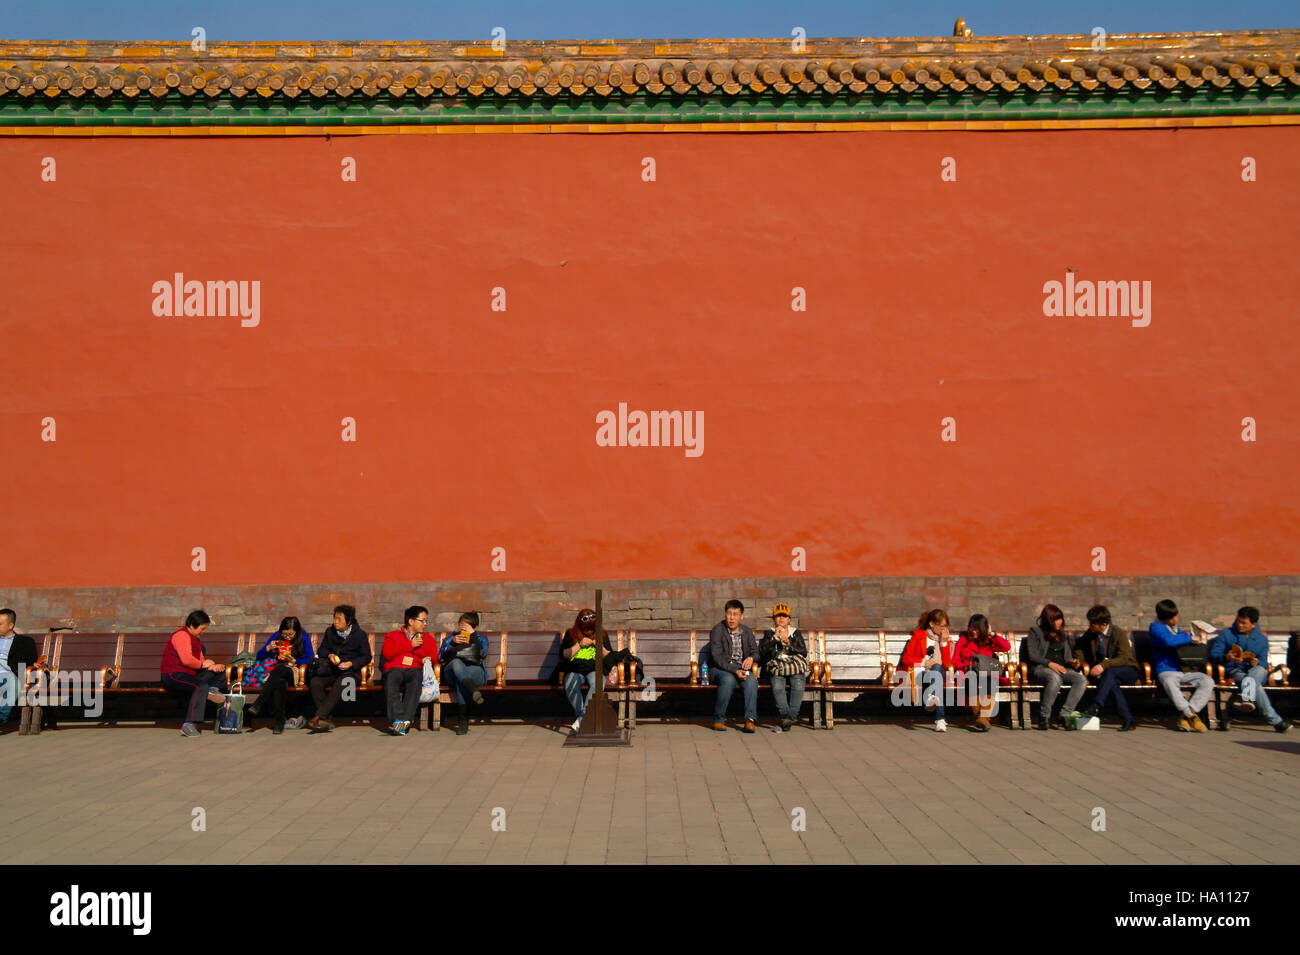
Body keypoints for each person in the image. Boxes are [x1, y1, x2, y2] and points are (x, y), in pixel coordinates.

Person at [1210, 606, 1290, 734]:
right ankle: (1276, 722)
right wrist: (1226, 657)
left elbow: (1264, 662)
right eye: (1238, 621)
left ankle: (1246, 697)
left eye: (1243, 623)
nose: (1239, 625)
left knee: (1258, 671)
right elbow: (1214, 654)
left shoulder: (1261, 639)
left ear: (1253, 624)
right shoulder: (1227, 634)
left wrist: (1257, 662)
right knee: (1254, 685)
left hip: (1256, 671)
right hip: (1236, 671)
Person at [160, 609, 229, 738]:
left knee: (221, 671)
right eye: (202, 629)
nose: (203, 632)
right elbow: (187, 660)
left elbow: (200, 660)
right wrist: (203, 664)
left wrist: (212, 666)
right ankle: (189, 724)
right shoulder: (181, 635)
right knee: (200, 686)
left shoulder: (196, 640)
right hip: (174, 675)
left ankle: (213, 689)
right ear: (192, 625)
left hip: (190, 675)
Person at [1149, 599, 1214, 732]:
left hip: (1185, 669)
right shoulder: (1156, 628)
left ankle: (1188, 714)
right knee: (1169, 683)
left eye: (1176, 615)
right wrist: (1190, 639)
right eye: (1172, 617)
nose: (1176, 619)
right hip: (1166, 669)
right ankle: (1190, 714)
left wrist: (1197, 636)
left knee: (1207, 681)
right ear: (1165, 618)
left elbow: (1183, 638)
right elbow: (1168, 641)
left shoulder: (1177, 630)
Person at [245, 616, 315, 733]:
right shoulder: (276, 636)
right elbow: (259, 657)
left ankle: (259, 702)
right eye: (285, 634)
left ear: (296, 632)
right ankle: (279, 722)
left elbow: (310, 659)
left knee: (280, 669)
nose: (287, 637)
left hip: (295, 671)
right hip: (277, 673)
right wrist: (268, 648)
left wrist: (295, 661)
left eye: (291, 634)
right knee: (280, 683)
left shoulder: (304, 637)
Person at [1075, 605, 1139, 731]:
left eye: (1093, 624)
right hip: (1108, 675)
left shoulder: (1117, 632)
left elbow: (1124, 658)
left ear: (1104, 624)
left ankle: (1097, 704)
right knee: (1112, 683)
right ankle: (1128, 720)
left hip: (1127, 670)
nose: (1090, 626)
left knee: (1110, 673)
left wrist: (1103, 665)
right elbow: (1079, 648)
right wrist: (1078, 660)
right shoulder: (1091, 633)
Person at [307, 605, 371, 732]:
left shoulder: (360, 635)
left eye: (339, 619)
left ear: (349, 621)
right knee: (315, 683)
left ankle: (319, 717)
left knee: (344, 682)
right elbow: (322, 650)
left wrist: (351, 663)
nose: (335, 622)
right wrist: (329, 655)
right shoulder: (330, 632)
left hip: (351, 672)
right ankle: (326, 718)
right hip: (332, 669)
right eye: (334, 618)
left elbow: (366, 656)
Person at [1025, 604, 1085, 731]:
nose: (1060, 622)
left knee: (1081, 679)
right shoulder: (1035, 632)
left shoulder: (1062, 635)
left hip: (1060, 668)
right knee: (1054, 677)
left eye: (1060, 618)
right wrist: (1050, 664)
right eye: (1056, 619)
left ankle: (1065, 714)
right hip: (1041, 668)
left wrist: (1073, 662)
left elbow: (1067, 658)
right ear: (1048, 620)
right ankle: (1044, 717)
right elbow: (1033, 656)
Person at [708, 599, 760, 732]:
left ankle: (750, 720)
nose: (732, 618)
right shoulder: (717, 630)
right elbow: (717, 657)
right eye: (729, 613)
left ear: (741, 616)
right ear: (725, 615)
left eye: (735, 614)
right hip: (721, 669)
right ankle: (719, 720)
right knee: (728, 680)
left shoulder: (747, 632)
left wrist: (751, 657)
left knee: (751, 681)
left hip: (742, 669)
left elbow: (756, 653)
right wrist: (734, 670)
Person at [951, 613, 1010, 731]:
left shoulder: (988, 641)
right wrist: (967, 667)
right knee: (972, 681)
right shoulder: (963, 640)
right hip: (969, 672)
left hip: (987, 673)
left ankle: (982, 718)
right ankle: (983, 719)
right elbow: (955, 661)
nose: (973, 631)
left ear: (983, 629)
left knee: (991, 682)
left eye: (976, 628)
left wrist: (992, 634)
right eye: (971, 627)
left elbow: (1006, 646)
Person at [381, 606, 433, 736]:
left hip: (414, 669)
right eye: (422, 620)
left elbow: (434, 656)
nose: (425, 624)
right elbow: (387, 654)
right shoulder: (392, 636)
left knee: (416, 679)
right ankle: (399, 721)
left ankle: (402, 723)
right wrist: (409, 645)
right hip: (395, 669)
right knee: (392, 678)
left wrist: (428, 659)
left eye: (426, 621)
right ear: (411, 621)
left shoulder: (427, 638)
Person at [559, 608, 613, 733]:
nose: (589, 632)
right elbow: (564, 655)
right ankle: (584, 717)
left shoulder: (602, 634)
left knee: (598, 682)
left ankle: (582, 719)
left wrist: (600, 647)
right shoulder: (570, 634)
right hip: (574, 670)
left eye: (591, 630)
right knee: (571, 683)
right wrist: (580, 645)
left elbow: (610, 656)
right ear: (579, 625)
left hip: (594, 670)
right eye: (586, 630)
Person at [899, 609, 953, 732]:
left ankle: (930, 699)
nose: (944, 629)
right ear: (932, 624)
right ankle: (940, 720)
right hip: (921, 672)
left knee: (937, 669)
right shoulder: (919, 635)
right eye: (942, 626)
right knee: (936, 675)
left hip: (938, 673)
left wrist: (944, 643)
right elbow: (906, 659)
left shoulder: (945, 639)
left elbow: (946, 664)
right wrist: (924, 662)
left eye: (946, 626)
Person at [758, 603, 810, 731]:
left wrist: (790, 643)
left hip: (794, 666)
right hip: (777, 667)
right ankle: (788, 717)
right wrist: (775, 638)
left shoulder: (795, 633)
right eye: (778, 616)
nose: (781, 619)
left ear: (789, 619)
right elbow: (763, 653)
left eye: (784, 616)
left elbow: (803, 652)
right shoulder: (769, 634)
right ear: (774, 619)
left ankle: (789, 719)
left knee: (798, 684)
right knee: (777, 686)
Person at [438, 612, 489, 736]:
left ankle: (463, 721)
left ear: (474, 626)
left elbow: (482, 653)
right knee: (456, 662)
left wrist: (472, 637)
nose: (463, 626)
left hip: (475, 671)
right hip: (452, 670)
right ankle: (472, 690)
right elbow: (440, 657)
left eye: (467, 624)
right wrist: (453, 643)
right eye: (461, 624)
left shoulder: (482, 639)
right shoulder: (450, 639)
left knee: (461, 680)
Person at [0, 609, 38, 732]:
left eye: (0, 623)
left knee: (12, 683)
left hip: (10, 673)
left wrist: (36, 664)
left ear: (10, 625)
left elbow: (32, 661)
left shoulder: (25, 642)